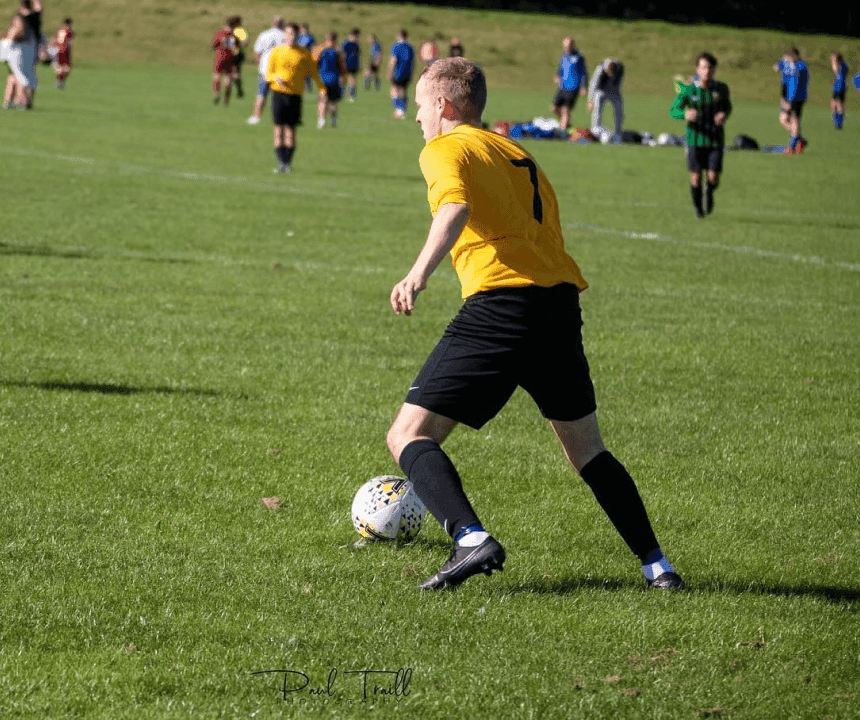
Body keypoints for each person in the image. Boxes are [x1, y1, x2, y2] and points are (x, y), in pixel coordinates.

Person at [386, 57, 684, 592]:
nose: (415, 119)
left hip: (502, 304)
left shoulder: (445, 148)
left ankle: (470, 539)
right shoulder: (516, 151)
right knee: (587, 449)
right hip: (558, 305)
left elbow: (452, 207)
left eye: (418, 105)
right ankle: (657, 566)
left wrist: (416, 275)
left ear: (443, 105)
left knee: (407, 434)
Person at [669, 52, 732, 219]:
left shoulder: (721, 89)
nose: (707, 71)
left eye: (711, 68)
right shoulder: (689, 89)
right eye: (704, 67)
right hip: (694, 138)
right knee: (695, 178)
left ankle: (709, 192)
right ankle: (698, 210)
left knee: (712, 177)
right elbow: (673, 110)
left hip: (715, 138)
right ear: (697, 69)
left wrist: (723, 114)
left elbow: (727, 106)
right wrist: (685, 114)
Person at [265, 22, 323, 173]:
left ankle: (287, 163)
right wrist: (275, 78)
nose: (291, 37)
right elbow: (268, 74)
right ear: (285, 34)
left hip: (295, 95)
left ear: (298, 36)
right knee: (278, 130)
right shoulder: (277, 51)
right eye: (289, 33)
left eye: (294, 34)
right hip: (278, 93)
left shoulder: (303, 53)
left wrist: (322, 88)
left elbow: (314, 73)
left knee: (291, 131)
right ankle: (281, 162)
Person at [247, 17, 286, 125]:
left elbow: (257, 52)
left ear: (273, 23)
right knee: (279, 95)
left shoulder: (264, 34)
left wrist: (260, 63)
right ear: (283, 24)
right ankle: (279, 117)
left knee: (261, 93)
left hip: (265, 69)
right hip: (280, 70)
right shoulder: (285, 36)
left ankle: (256, 117)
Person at [4, 0, 42, 109]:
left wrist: (7, 42)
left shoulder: (21, 17)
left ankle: (17, 101)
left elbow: (17, 30)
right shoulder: (35, 17)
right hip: (34, 48)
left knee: (17, 75)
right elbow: (39, 8)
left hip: (20, 48)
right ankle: (26, 101)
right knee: (29, 75)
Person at [552, 36, 587, 131]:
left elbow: (584, 72)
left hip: (574, 87)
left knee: (565, 109)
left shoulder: (579, 57)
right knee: (554, 108)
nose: (566, 48)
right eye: (565, 46)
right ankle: (565, 123)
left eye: (568, 46)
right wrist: (558, 75)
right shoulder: (564, 55)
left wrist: (584, 87)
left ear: (573, 45)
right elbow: (561, 66)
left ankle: (562, 131)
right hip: (563, 86)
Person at [587, 57, 624, 139]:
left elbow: (620, 82)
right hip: (601, 90)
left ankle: (618, 132)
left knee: (619, 105)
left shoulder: (620, 68)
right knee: (597, 99)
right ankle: (595, 129)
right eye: (607, 71)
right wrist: (590, 100)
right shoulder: (600, 69)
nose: (609, 73)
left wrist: (617, 93)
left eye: (610, 71)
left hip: (614, 91)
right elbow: (593, 84)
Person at [315, 30, 345, 128]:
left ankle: (321, 122)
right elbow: (341, 66)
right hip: (334, 79)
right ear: (335, 39)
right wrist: (343, 77)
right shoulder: (337, 52)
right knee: (333, 101)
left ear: (327, 38)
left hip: (323, 79)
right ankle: (333, 120)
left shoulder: (321, 50)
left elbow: (315, 62)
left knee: (322, 100)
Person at [783, 47, 809, 154]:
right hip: (797, 97)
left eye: (789, 58)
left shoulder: (798, 67)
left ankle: (792, 146)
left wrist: (790, 101)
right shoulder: (801, 66)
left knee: (795, 120)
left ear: (794, 56)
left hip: (796, 98)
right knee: (790, 120)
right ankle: (798, 140)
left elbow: (795, 85)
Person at [211, 16, 239, 105]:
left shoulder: (220, 33)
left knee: (216, 76)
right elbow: (237, 47)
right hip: (230, 58)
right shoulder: (234, 35)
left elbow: (213, 45)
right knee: (228, 79)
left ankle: (216, 94)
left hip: (219, 57)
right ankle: (226, 100)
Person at [388, 29, 414, 119]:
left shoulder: (396, 46)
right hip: (407, 72)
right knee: (404, 92)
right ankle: (402, 111)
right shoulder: (410, 47)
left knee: (394, 90)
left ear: (399, 35)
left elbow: (393, 60)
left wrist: (390, 72)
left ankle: (399, 111)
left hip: (398, 72)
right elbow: (412, 61)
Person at [51, 16, 72, 89]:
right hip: (65, 50)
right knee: (67, 68)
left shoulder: (60, 30)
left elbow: (54, 39)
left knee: (60, 67)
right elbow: (69, 42)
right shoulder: (69, 30)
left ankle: (58, 81)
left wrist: (51, 46)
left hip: (58, 49)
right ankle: (60, 82)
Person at [231, 18, 248, 99]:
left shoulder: (232, 30)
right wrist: (240, 46)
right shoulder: (241, 30)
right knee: (236, 73)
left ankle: (236, 90)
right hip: (238, 54)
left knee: (232, 73)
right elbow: (246, 41)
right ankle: (238, 90)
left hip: (232, 54)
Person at [831, 52, 849, 130]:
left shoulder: (840, 65)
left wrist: (833, 63)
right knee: (835, 104)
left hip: (839, 86)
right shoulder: (844, 65)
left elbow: (835, 70)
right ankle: (837, 122)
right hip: (839, 86)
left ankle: (838, 123)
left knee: (838, 104)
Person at [342, 28, 360, 102]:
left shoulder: (357, 44)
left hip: (354, 64)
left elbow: (358, 55)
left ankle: (352, 96)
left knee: (353, 80)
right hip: (346, 63)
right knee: (344, 79)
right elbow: (342, 54)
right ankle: (341, 94)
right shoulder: (346, 43)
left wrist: (359, 64)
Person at [297, 23, 315, 92]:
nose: (302, 30)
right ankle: (302, 86)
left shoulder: (310, 37)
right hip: (299, 56)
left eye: (304, 29)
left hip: (307, 57)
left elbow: (311, 46)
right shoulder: (298, 36)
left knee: (307, 73)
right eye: (302, 29)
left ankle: (309, 87)